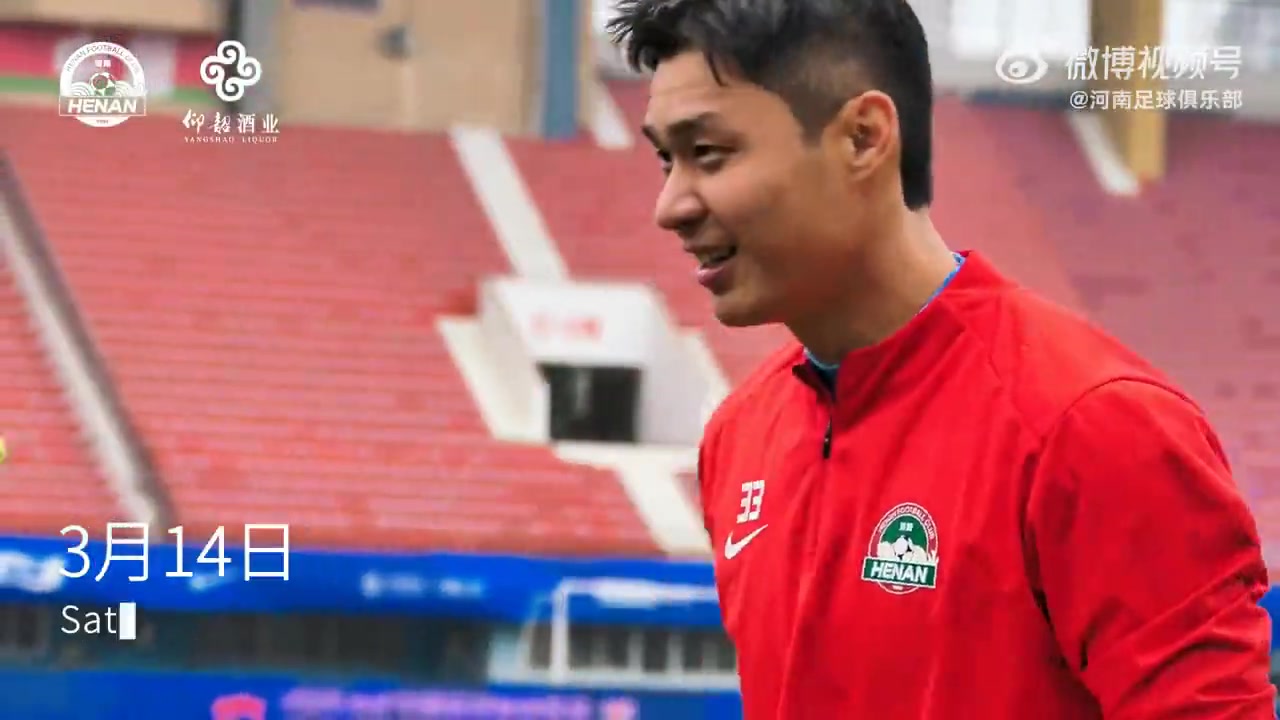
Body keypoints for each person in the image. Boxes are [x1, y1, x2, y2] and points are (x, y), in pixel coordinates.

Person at [608, 0, 1275, 718]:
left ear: (864, 138)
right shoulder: (740, 435)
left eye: (708, 153)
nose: (670, 206)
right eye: (666, 160)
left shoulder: (1095, 427)